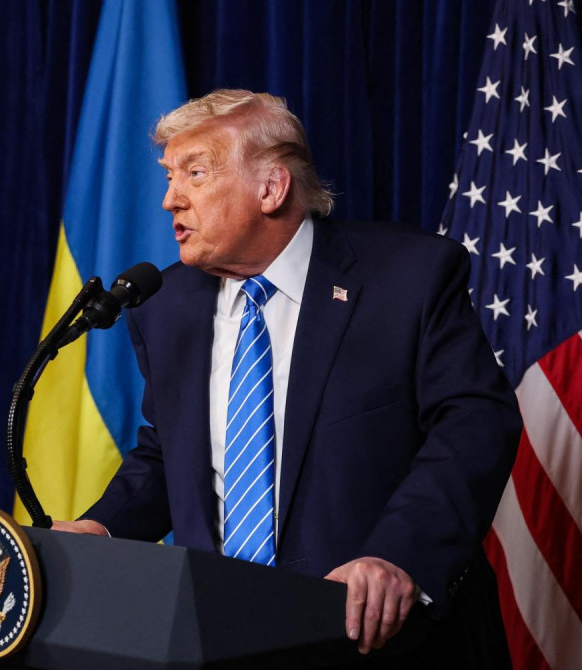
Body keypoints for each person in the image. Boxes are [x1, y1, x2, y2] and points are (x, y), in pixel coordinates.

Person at [53, 90, 519, 665]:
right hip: (220, 639)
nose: (170, 199)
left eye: (195, 173)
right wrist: (103, 529)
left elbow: (475, 424)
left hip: (381, 640)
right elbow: (167, 453)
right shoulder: (166, 305)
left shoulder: (408, 277)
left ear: (271, 188)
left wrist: (400, 555)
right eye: (170, 177)